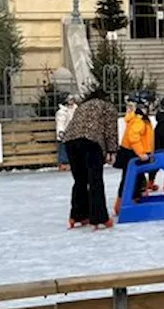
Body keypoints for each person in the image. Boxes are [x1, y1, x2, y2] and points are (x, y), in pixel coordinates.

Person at [63, 86, 119, 229]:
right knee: (95, 181)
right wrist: (112, 151)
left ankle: (78, 215)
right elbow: (110, 131)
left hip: (70, 142)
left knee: (80, 180)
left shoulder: (82, 106)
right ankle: (99, 217)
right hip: (90, 142)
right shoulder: (107, 107)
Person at [114, 92, 155, 215]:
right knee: (128, 179)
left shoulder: (141, 118)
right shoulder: (139, 120)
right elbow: (133, 137)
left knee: (137, 178)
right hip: (131, 153)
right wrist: (141, 153)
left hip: (132, 152)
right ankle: (120, 206)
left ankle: (135, 198)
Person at [54, 94, 79, 172]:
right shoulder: (62, 112)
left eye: (72, 99)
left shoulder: (76, 109)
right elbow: (60, 123)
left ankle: (73, 162)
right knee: (63, 147)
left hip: (74, 134)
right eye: (69, 99)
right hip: (65, 134)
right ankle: (64, 163)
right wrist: (61, 132)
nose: (71, 101)